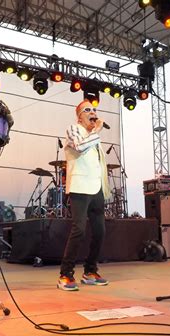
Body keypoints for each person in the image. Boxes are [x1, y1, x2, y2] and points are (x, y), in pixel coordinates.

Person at [57, 99, 111, 291]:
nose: (92, 112)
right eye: (87, 110)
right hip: (80, 186)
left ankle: (90, 271)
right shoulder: (73, 129)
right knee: (79, 229)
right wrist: (96, 131)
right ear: (79, 116)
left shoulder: (95, 138)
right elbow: (79, 147)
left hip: (96, 188)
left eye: (94, 110)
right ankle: (65, 274)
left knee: (100, 231)